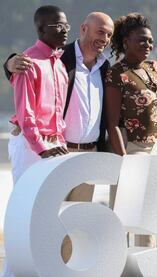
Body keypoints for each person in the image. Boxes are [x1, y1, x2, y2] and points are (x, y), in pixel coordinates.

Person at [4, 11, 114, 264]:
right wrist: (10, 63)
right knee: (39, 214)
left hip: (85, 155)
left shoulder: (105, 66)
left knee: (75, 225)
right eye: (100, 32)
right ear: (84, 29)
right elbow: (27, 67)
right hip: (52, 150)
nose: (105, 39)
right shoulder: (59, 56)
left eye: (109, 35)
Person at [1, 5, 70, 277]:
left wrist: (58, 143)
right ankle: (11, 272)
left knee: (46, 215)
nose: (64, 29)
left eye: (66, 24)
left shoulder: (61, 65)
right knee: (24, 212)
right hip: (32, 147)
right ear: (41, 29)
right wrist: (42, 148)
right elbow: (26, 113)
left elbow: (58, 113)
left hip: (54, 147)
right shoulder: (27, 62)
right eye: (57, 25)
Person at [105, 12, 157, 246]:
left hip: (153, 147)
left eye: (150, 40)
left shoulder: (152, 68)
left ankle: (145, 264)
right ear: (126, 42)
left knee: (149, 215)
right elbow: (111, 123)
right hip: (132, 148)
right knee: (123, 213)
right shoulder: (116, 74)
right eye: (141, 40)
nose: (148, 44)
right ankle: (114, 264)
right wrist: (123, 161)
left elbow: (155, 113)